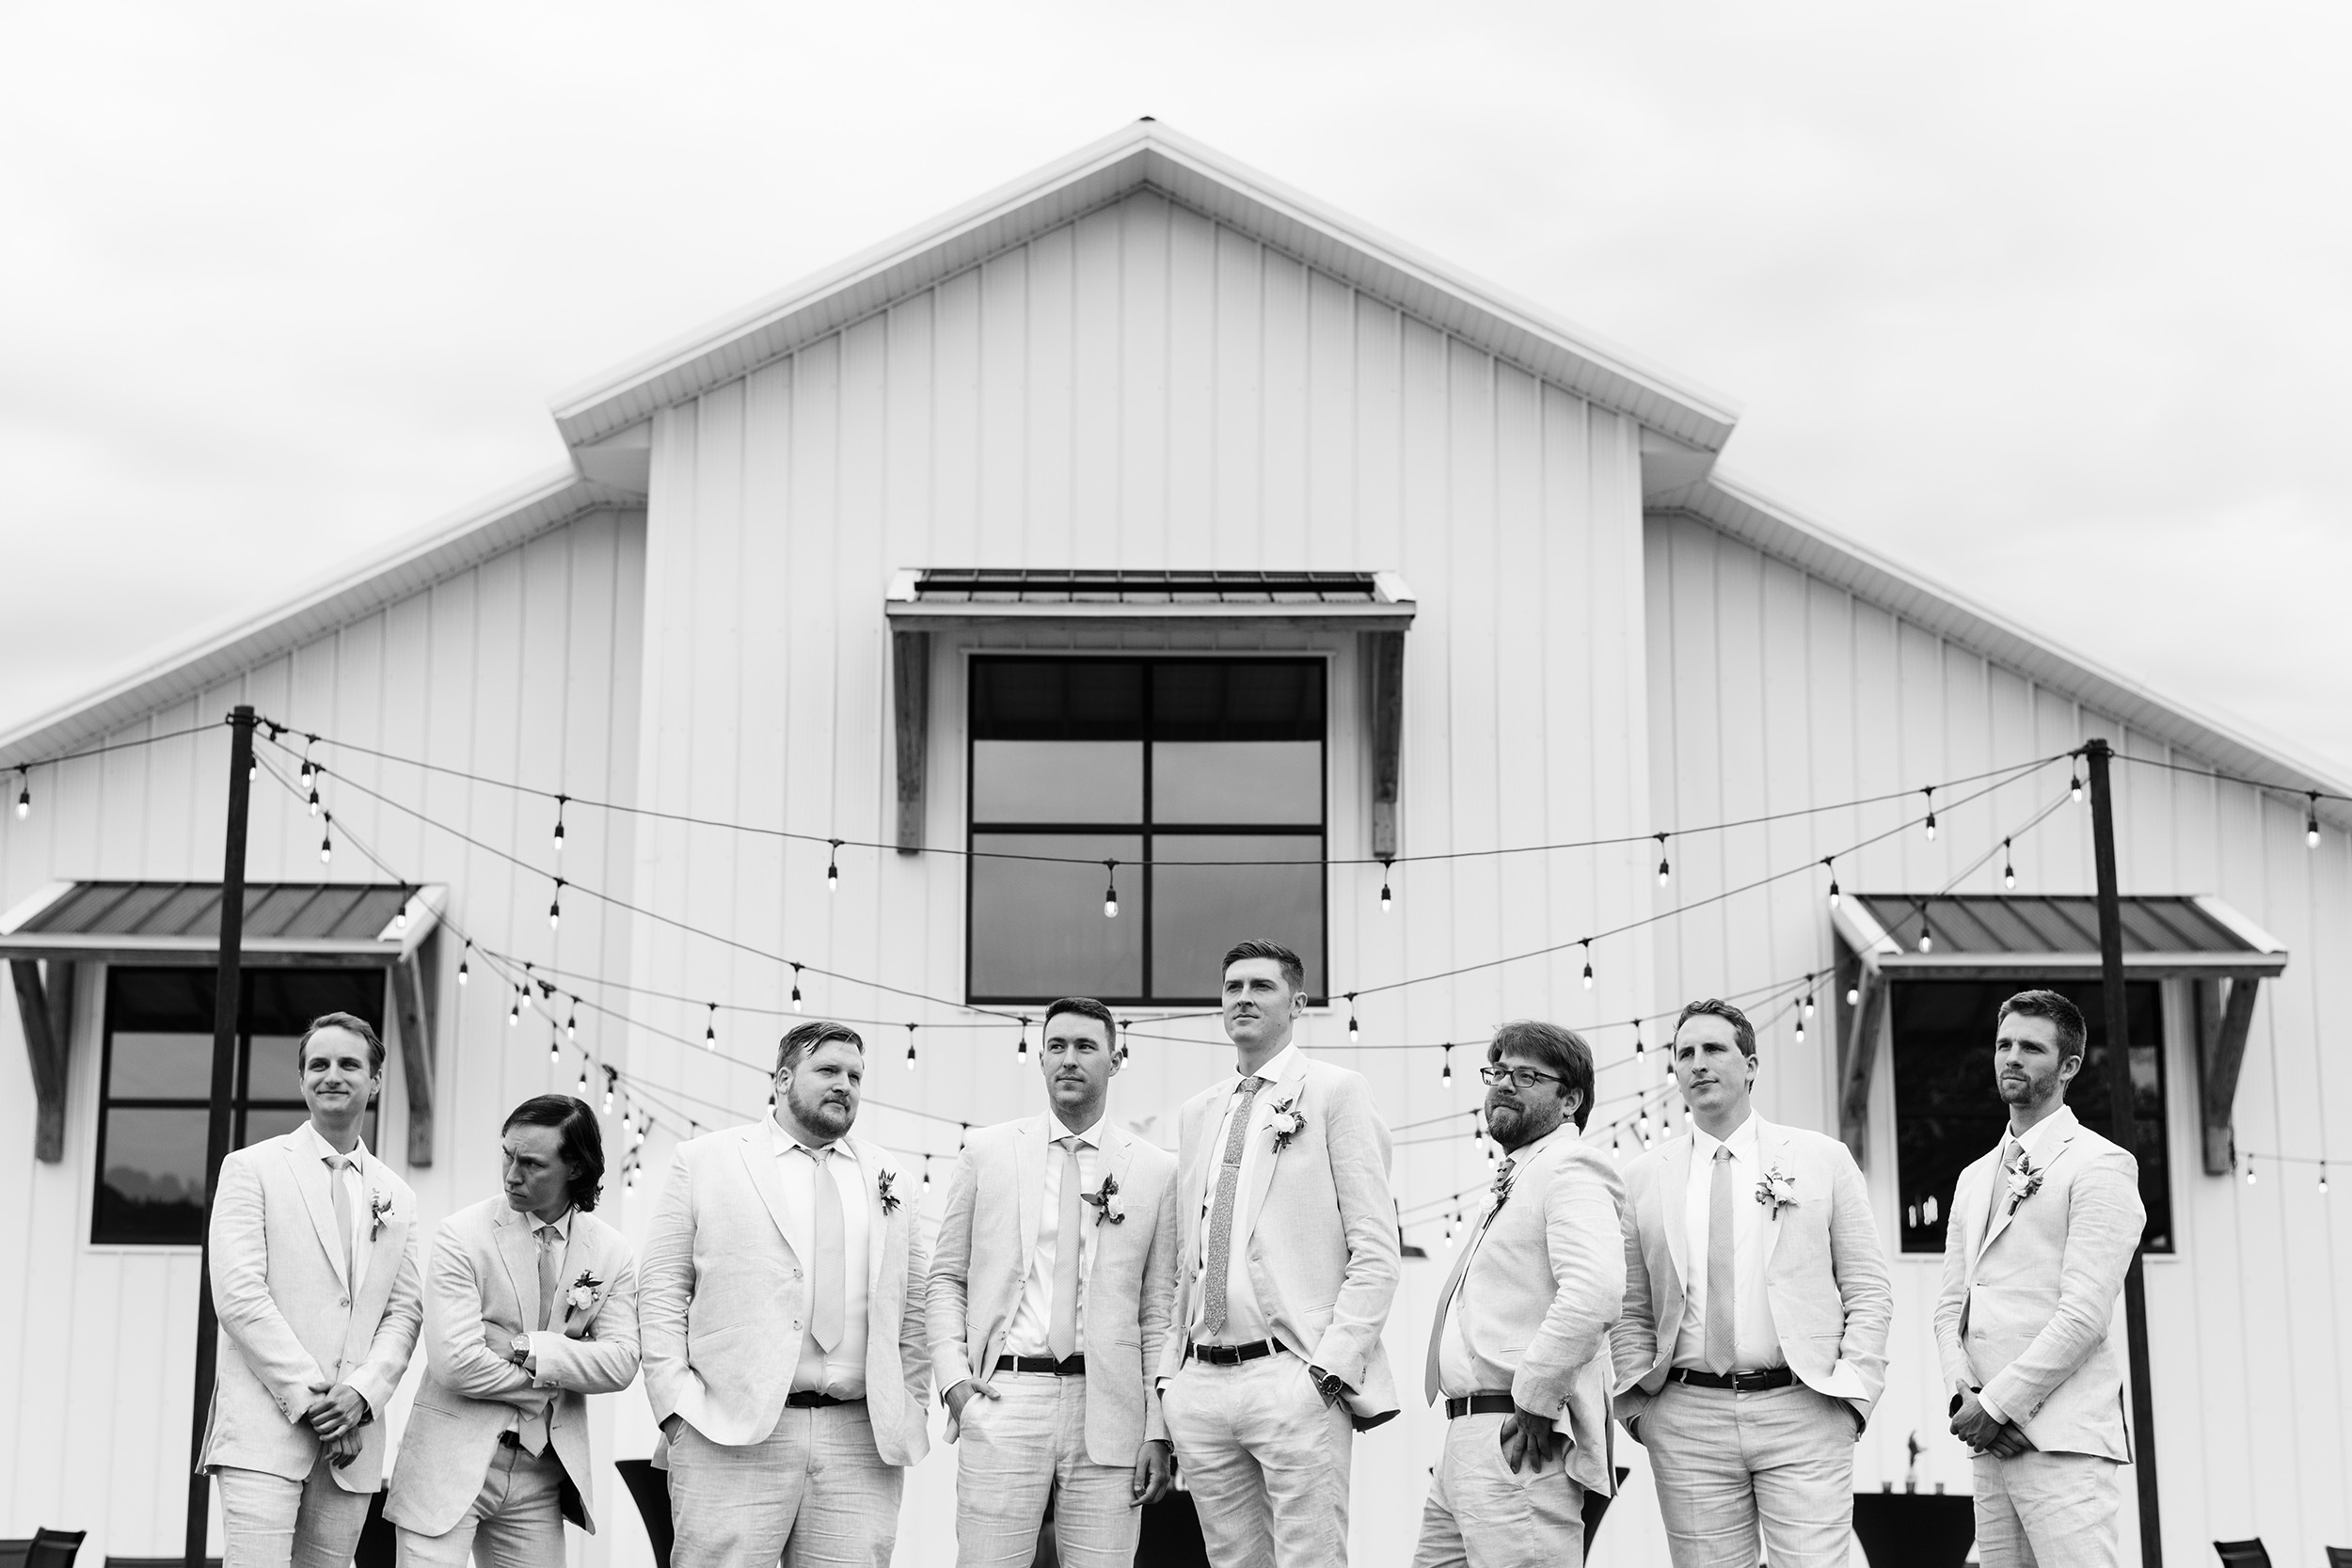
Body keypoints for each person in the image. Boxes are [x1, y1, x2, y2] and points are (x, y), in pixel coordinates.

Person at [1611, 998, 1892, 1568]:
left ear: (1751, 1066)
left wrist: (1852, 1395)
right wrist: (1642, 1409)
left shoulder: (1822, 1159)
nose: (1698, 1064)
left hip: (1804, 1408)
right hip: (1687, 1418)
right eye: (1685, 1053)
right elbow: (1629, 1307)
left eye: (1714, 1049)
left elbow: (1867, 1288)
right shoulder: (1642, 1177)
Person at [641, 1020, 930, 1568]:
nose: (844, 1084)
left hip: (860, 1440)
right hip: (729, 1433)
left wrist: (908, 1400)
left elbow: (911, 1305)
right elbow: (659, 1288)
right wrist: (676, 1408)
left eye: (855, 1075)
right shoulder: (705, 1161)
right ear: (782, 1078)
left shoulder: (889, 1175)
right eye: (828, 1071)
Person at [1156, 938, 1401, 1568]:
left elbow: (1375, 1246)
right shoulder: (1197, 1112)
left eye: (1260, 986)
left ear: (1296, 1002)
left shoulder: (1335, 1092)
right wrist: (1170, 1384)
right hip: (1202, 1382)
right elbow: (1183, 1261)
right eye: (1233, 986)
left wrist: (1329, 1369)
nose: (1243, 997)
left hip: (1292, 1373)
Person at [927, 995, 1181, 1567]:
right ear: (1041, 1059)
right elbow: (945, 1277)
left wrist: (1157, 1426)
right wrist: (954, 1382)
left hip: (1111, 1406)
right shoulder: (985, 1153)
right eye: (1057, 1046)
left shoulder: (1157, 1171)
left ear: (1115, 1060)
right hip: (1004, 1395)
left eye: (1086, 1046)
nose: (1069, 1059)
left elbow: (1160, 1311)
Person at [198, 1011, 423, 1568]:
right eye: (318, 1064)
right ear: (301, 1079)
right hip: (265, 1430)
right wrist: (315, 1401)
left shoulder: (397, 1195)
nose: (332, 1075)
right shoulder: (250, 1169)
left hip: (354, 1441)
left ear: (374, 1080)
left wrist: (362, 1396)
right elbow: (239, 1296)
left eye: (349, 1064)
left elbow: (403, 1314)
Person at [1933, 989, 2146, 1568]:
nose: (2011, 1057)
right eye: (2004, 1044)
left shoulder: (2100, 1165)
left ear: (2069, 1066)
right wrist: (1968, 1398)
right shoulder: (1974, 1178)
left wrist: (1999, 1405)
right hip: (1990, 1448)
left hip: (2063, 1443)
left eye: (2031, 1047)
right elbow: (1951, 1307)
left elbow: (2083, 1317)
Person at [386, 1094, 641, 1568]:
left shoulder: (612, 1252)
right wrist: (552, 1378)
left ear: (576, 1169)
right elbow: (455, 1364)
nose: (511, 1174)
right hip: (446, 1466)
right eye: (507, 1154)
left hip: (542, 1476)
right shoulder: (461, 1234)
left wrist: (525, 1348)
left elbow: (622, 1363)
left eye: (532, 1163)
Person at [1415, 1021, 1625, 1568]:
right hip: (1468, 1435)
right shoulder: (1519, 1175)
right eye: (1498, 1071)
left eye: (1527, 1075)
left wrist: (1534, 1398)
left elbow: (1596, 1291)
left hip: (1518, 1435)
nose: (1504, 1084)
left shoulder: (1570, 1166)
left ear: (1570, 1099)